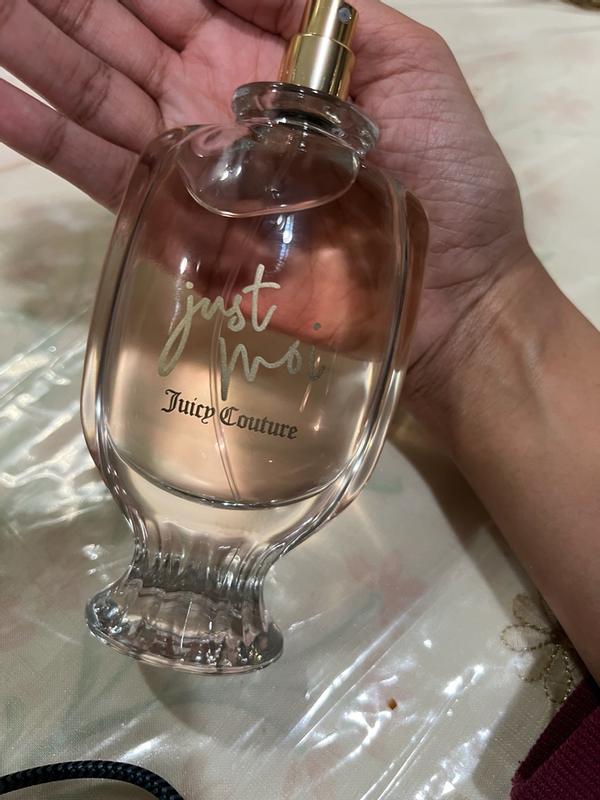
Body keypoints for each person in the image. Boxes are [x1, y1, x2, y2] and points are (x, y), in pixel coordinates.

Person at [1, 0, 598, 733]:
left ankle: (225, 583)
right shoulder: (186, 156)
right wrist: (485, 313)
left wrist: (481, 304)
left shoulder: (390, 206)